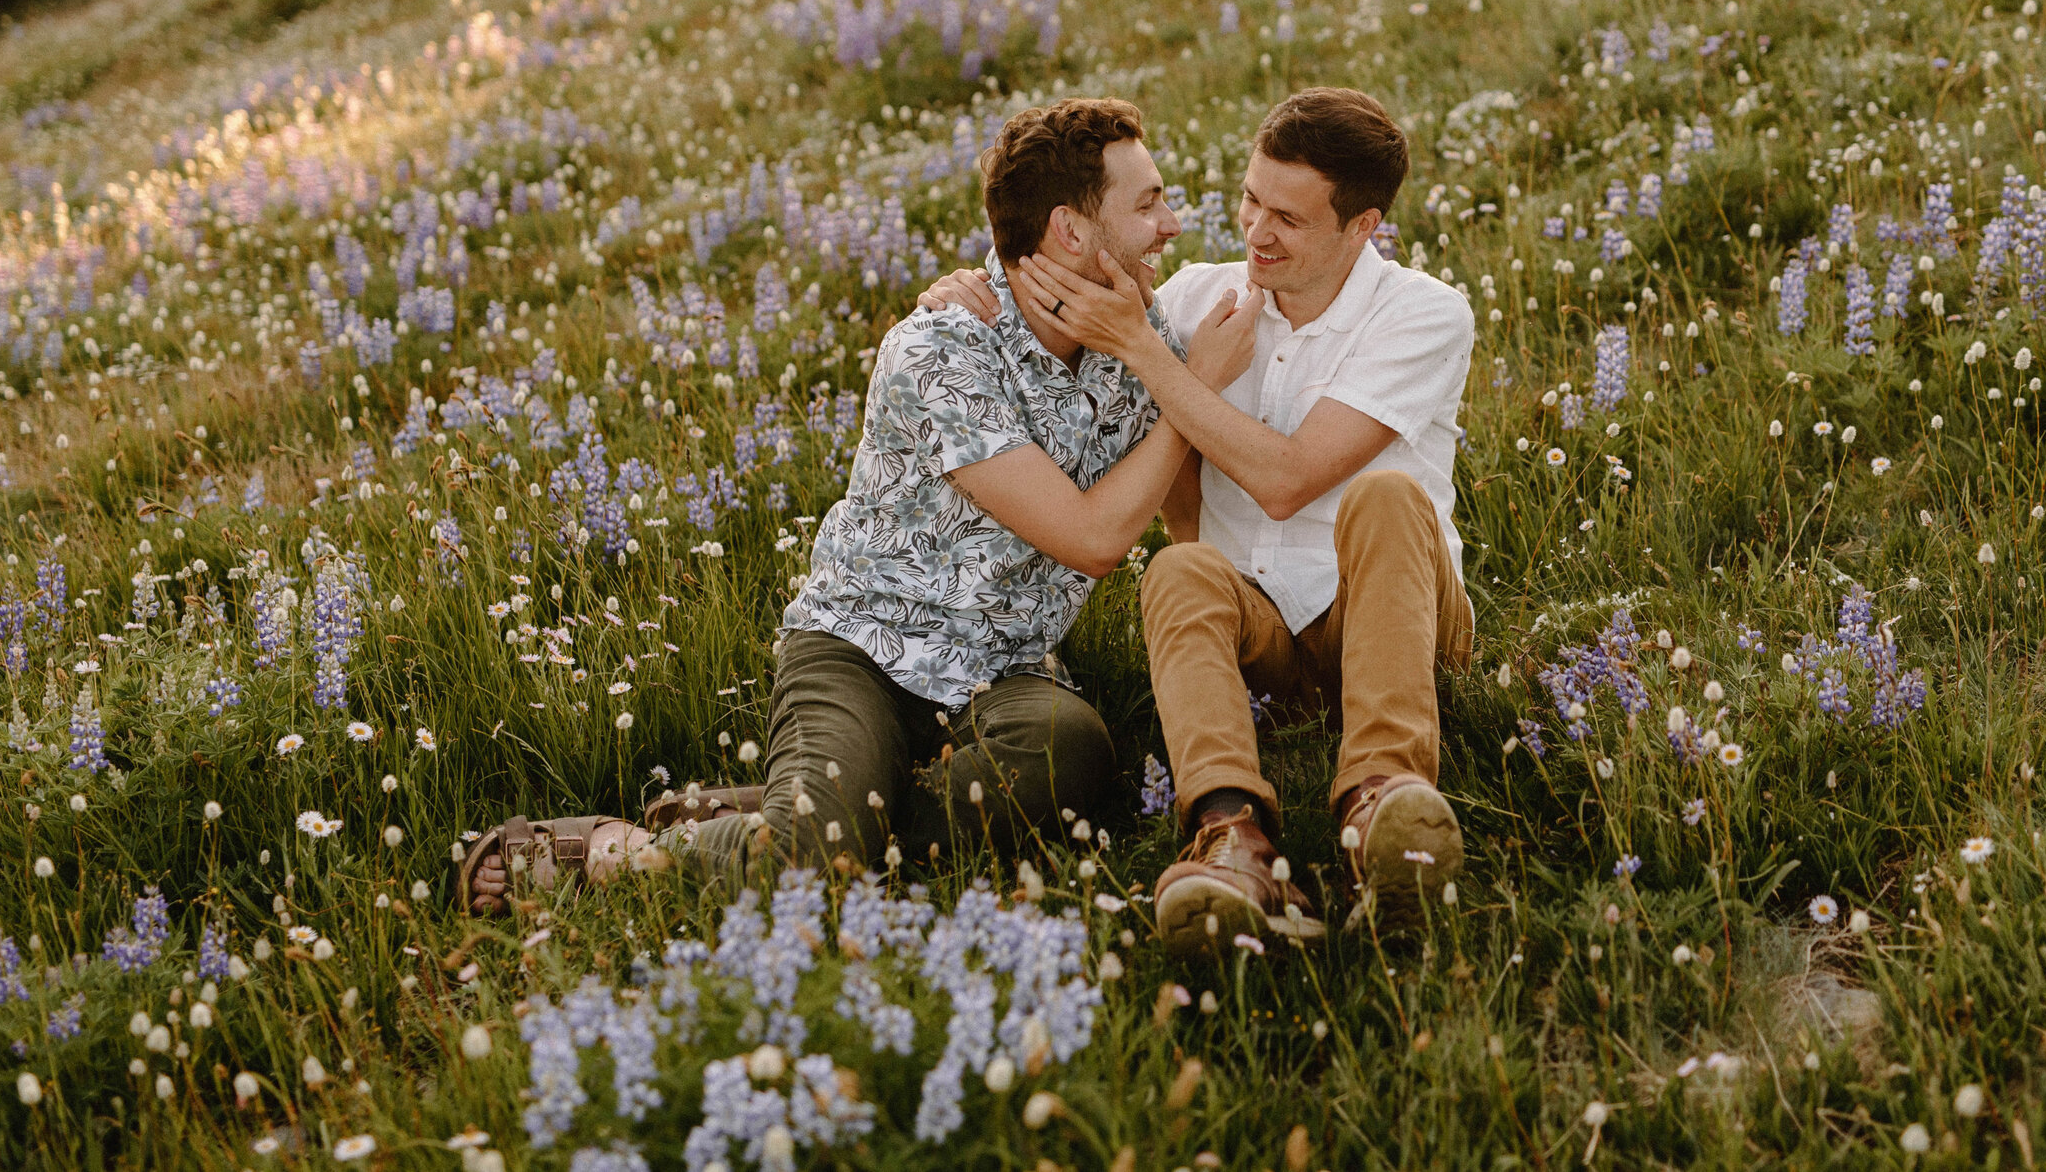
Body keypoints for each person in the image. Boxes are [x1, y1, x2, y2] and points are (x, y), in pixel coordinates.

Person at [456, 97, 1262, 914]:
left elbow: (1179, 493)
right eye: (1149, 201)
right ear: (1070, 231)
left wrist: (1165, 374)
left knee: (1074, 754)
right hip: (864, 650)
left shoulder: (1138, 334)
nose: (1171, 222)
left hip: (1004, 672)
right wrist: (1191, 392)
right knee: (810, 868)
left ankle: (784, 817)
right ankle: (622, 852)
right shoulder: (942, 348)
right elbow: (1092, 540)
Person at [923, 88, 1475, 954]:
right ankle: (1231, 836)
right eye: (1252, 199)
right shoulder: (1194, 298)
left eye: (1288, 218)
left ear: (1361, 227)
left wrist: (1148, 352)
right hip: (1262, 635)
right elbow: (1053, 267)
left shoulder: (1423, 313)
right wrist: (965, 289)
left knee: (1385, 493)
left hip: (1392, 614)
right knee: (1176, 568)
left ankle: (1384, 807)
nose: (1255, 231)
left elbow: (1288, 480)